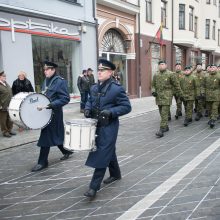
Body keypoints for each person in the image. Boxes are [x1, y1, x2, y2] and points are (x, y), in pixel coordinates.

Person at [83, 59, 131, 199]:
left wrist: (111, 112)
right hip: (95, 125)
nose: (99, 72)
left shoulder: (117, 89)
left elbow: (127, 107)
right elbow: (89, 101)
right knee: (109, 150)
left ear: (110, 73)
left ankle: (93, 187)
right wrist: (87, 109)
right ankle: (116, 174)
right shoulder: (93, 87)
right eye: (98, 70)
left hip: (109, 126)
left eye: (102, 70)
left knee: (102, 153)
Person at [31, 61, 73, 172]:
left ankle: (42, 162)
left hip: (54, 113)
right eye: (44, 70)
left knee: (45, 136)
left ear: (53, 70)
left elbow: (65, 98)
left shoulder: (60, 81)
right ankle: (66, 151)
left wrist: (51, 105)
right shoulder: (46, 81)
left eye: (47, 69)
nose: (45, 71)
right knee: (55, 134)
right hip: (46, 113)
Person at [152, 60, 183, 138]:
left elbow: (177, 85)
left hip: (167, 96)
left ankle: (161, 129)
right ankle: (165, 126)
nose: (161, 66)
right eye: (160, 65)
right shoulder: (156, 74)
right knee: (161, 112)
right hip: (158, 97)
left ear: (166, 65)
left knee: (164, 112)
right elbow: (153, 85)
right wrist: (153, 91)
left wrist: (181, 95)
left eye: (163, 64)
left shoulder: (171, 74)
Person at [202, 64, 220, 128]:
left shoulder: (218, 76)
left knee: (214, 108)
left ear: (216, 68)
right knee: (209, 109)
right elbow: (203, 85)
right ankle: (211, 118)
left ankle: (213, 119)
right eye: (211, 67)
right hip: (208, 95)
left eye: (214, 67)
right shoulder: (206, 76)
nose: (212, 68)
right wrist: (203, 92)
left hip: (216, 95)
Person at [0, 71, 16, 138]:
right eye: (3, 76)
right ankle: (5, 132)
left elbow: (10, 93)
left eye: (5, 76)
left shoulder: (6, 83)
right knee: (3, 120)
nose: (5, 77)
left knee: (10, 118)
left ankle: (9, 130)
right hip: (2, 105)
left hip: (9, 105)